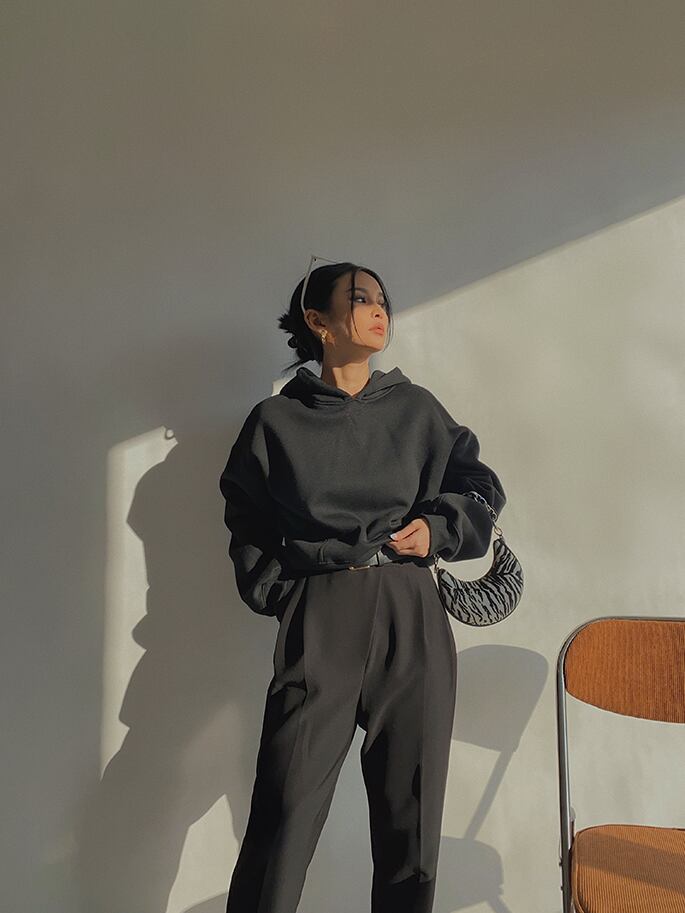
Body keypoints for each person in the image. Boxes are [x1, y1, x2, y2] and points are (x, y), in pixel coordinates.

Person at [218, 258, 507, 913]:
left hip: (411, 612)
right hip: (320, 613)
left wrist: (439, 529)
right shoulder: (274, 422)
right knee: (283, 812)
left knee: (412, 819)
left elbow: (479, 485)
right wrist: (281, 592)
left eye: (382, 299)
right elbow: (246, 517)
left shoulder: (416, 409)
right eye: (359, 298)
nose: (379, 309)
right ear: (317, 322)